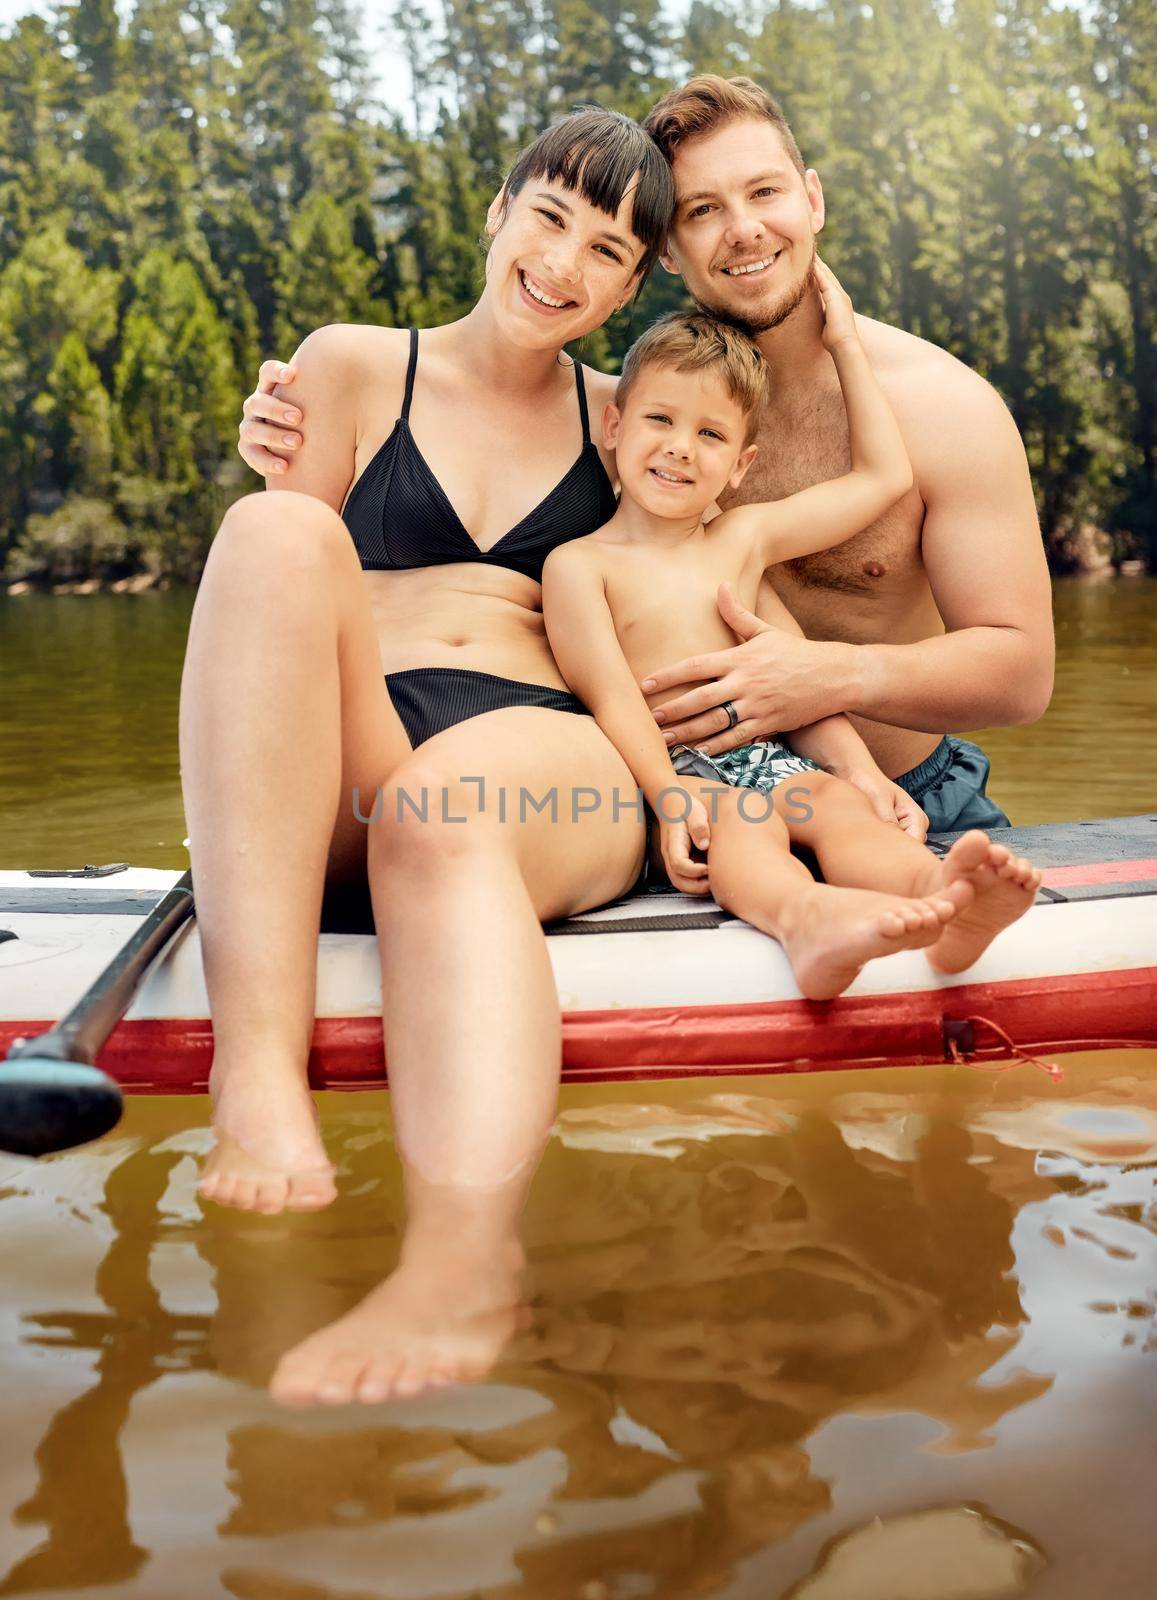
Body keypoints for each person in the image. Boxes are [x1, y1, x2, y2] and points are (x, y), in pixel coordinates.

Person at [240, 76, 1054, 829]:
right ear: (663, 254)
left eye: (764, 192)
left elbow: (1021, 675)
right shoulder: (636, 417)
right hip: (689, 793)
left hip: (893, 794)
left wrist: (833, 675)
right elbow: (473, 490)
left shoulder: (941, 409)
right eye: (700, 210)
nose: (741, 230)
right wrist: (285, 435)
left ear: (810, 199)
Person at [542, 295, 1041, 999]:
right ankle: (803, 920)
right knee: (745, 825)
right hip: (680, 775)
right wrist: (666, 797)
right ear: (615, 426)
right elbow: (610, 696)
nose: (681, 447)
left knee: (835, 806)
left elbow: (882, 480)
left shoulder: (742, 542)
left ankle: (943, 896)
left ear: (741, 465)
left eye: (710, 435)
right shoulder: (579, 566)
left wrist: (862, 774)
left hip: (772, 758)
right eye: (659, 419)